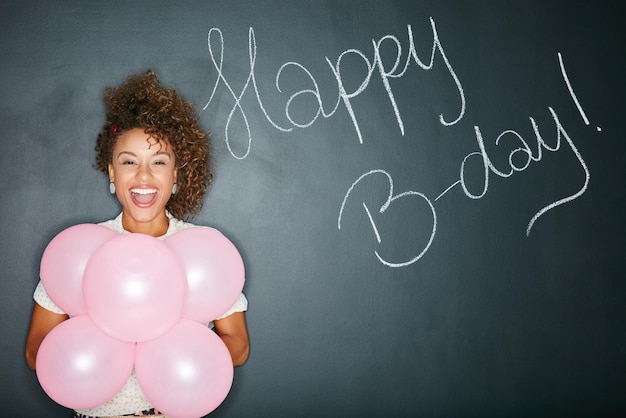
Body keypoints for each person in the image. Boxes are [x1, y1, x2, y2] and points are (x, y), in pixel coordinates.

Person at [25, 70, 250, 417]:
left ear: (176, 175)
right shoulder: (80, 250)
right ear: (112, 173)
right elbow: (34, 350)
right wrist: (114, 343)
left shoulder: (204, 251)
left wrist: (163, 349)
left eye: (158, 162)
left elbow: (238, 346)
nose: (143, 176)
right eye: (129, 162)